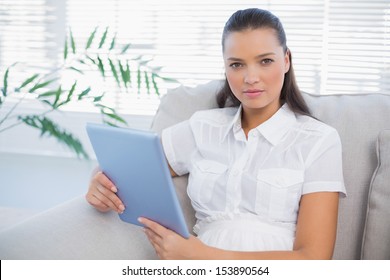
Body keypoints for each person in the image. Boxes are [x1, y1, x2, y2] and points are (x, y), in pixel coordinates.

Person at [86, 8, 346, 259]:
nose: (251, 77)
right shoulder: (203, 127)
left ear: (286, 60)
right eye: (237, 65)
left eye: (265, 61)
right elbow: (123, 164)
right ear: (225, 67)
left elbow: (313, 258)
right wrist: (99, 182)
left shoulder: (318, 140)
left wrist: (204, 257)